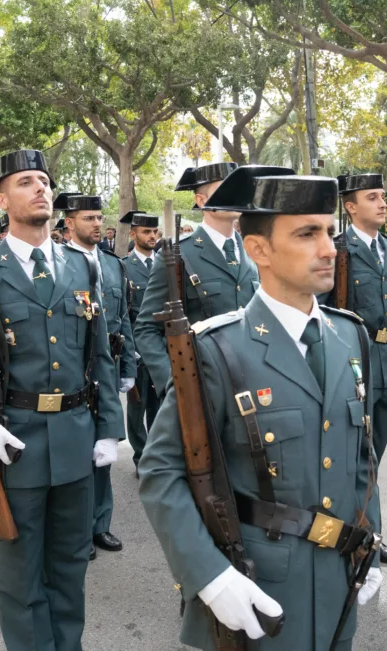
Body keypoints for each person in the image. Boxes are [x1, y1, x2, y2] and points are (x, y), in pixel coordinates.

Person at [139, 172, 382, 651]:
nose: (329, 249)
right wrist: (210, 577)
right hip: (257, 587)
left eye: (329, 232)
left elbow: (362, 456)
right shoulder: (216, 349)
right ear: (259, 250)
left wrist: (369, 537)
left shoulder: (350, 335)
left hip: (339, 579)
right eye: (307, 234)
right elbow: (161, 472)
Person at [0, 149, 123, 651]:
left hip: (75, 438)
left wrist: (110, 427)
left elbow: (99, 353)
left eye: (44, 180)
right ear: (2, 200)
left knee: (70, 565)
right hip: (14, 442)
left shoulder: (81, 266)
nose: (41, 188)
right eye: (26, 182)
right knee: (21, 576)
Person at [318, 173, 387, 565]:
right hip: (354, 363)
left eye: (383, 197)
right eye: (372, 197)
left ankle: (358, 525)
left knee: (373, 455)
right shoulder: (338, 249)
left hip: (386, 362)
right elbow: (322, 310)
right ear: (350, 206)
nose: (382, 203)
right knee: (358, 455)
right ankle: (367, 536)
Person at [134, 162, 268, 396]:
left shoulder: (253, 250)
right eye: (224, 188)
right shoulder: (178, 255)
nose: (234, 194)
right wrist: (175, 385)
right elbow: (146, 329)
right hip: (205, 387)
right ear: (201, 200)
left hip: (254, 381)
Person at [57, 191, 136, 557]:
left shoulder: (112, 264)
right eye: (88, 218)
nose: (97, 224)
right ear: (69, 223)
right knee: (77, 452)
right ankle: (77, 529)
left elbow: (125, 320)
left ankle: (100, 524)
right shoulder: (58, 264)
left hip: (109, 367)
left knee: (104, 450)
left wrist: (129, 367)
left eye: (99, 217)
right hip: (75, 370)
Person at [118, 210, 161, 473]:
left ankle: (159, 456)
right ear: (133, 234)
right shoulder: (124, 267)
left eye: (155, 231)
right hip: (138, 349)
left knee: (161, 407)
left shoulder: (167, 264)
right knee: (138, 407)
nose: (152, 236)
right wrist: (129, 351)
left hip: (163, 349)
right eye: (146, 232)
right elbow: (122, 312)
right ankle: (141, 457)